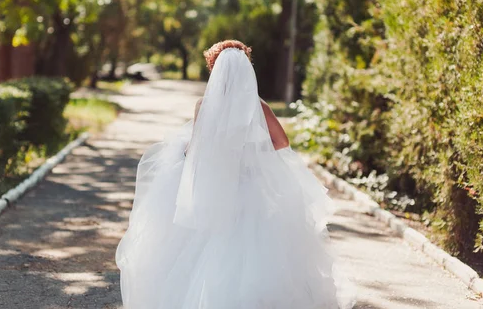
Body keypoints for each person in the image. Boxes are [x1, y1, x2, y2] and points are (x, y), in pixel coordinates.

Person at [116, 40, 355, 309]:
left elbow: (196, 150)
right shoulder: (258, 105)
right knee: (252, 246)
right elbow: (282, 142)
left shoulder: (203, 105)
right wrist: (253, 151)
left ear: (214, 69)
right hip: (250, 185)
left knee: (207, 243)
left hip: (216, 187)